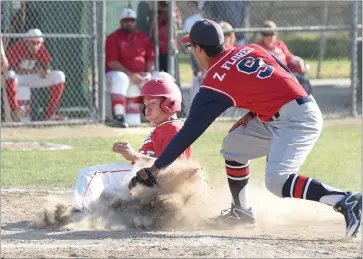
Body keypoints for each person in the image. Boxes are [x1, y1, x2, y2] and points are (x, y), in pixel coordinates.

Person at [128, 19, 362, 238]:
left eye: (191, 48)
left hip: (297, 121)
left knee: (277, 182)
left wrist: (156, 169)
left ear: (199, 49)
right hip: (284, 113)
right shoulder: (250, 49)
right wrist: (255, 112)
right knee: (234, 146)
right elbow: (284, 73)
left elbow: (189, 132)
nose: (192, 52)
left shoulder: (213, 82)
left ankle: (345, 199)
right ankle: (242, 212)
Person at [73, 77, 192, 211]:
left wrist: (135, 156)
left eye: (152, 102)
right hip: (142, 182)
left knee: (92, 174)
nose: (147, 108)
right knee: (104, 197)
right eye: (145, 104)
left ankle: (78, 214)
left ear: (170, 103)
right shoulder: (168, 127)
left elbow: (174, 167)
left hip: (149, 180)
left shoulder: (172, 127)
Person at [105, 8, 155, 128]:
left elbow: (150, 60)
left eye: (131, 20)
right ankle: (119, 116)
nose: (129, 23)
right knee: (121, 78)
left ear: (135, 21)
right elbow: (112, 63)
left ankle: (155, 116)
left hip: (140, 75)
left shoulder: (143, 37)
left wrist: (148, 73)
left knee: (160, 78)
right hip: (115, 75)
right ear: (121, 22)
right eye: (126, 20)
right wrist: (131, 74)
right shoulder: (113, 38)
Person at [4, 28, 66, 122]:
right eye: (32, 43)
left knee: (59, 76)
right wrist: (35, 71)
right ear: (26, 42)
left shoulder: (40, 48)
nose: (35, 46)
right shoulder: (18, 47)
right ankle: (15, 111)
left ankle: (49, 115)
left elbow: (47, 64)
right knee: (10, 74)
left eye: (38, 43)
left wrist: (46, 71)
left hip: (32, 78)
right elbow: (10, 68)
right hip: (16, 78)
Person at [255, 20, 312, 94]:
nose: (269, 36)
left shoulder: (279, 44)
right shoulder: (258, 47)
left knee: (303, 80)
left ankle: (304, 100)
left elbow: (289, 56)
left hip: (286, 73)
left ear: (275, 34)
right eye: (266, 34)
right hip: (270, 77)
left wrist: (298, 60)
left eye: (272, 33)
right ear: (262, 35)